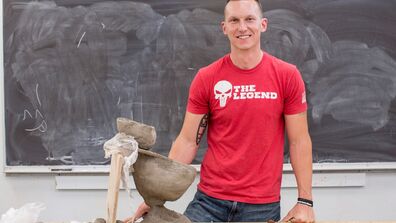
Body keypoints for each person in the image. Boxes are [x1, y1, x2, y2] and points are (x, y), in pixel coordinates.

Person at [124, 0, 315, 222]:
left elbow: (299, 141)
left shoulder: (287, 76)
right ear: (224, 27)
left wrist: (305, 202)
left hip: (261, 207)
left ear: (263, 24)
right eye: (234, 20)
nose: (242, 27)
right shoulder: (207, 78)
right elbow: (187, 141)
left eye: (249, 19)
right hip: (209, 202)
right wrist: (154, 200)